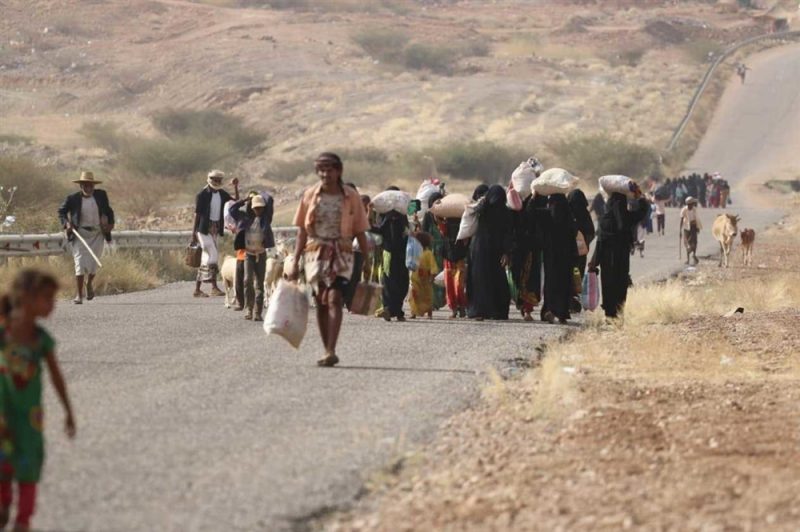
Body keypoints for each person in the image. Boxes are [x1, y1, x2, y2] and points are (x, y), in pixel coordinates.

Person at [0, 269, 76, 531]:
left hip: (29, 421)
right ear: (26, 298)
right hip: (2, 417)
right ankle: (4, 503)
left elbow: (56, 377)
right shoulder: (3, 333)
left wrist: (68, 411)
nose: (53, 305)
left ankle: (23, 520)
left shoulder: (41, 340)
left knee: (29, 468)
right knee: (3, 465)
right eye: (47, 299)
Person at [288, 153, 369, 367]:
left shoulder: (351, 197)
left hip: (342, 253)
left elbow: (360, 230)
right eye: (321, 170)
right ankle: (326, 349)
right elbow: (301, 232)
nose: (326, 174)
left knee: (334, 297)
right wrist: (295, 261)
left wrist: (368, 258)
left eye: (330, 170)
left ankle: (332, 349)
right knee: (321, 301)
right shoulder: (309, 195)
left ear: (339, 171)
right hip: (315, 253)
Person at [589, 185, 650, 319]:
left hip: (607, 260)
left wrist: (594, 262)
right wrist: (641, 199)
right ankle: (619, 312)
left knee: (608, 284)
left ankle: (609, 314)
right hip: (622, 259)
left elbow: (600, 242)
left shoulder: (605, 220)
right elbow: (642, 212)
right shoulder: (627, 217)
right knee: (621, 284)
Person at [57, 171, 115, 305]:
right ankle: (79, 294)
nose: (88, 189)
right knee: (80, 262)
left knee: (94, 263)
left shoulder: (101, 195)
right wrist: (66, 223)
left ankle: (89, 283)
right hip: (80, 234)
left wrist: (110, 224)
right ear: (80, 186)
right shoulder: (72, 199)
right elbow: (61, 212)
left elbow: (109, 210)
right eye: (85, 186)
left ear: (94, 186)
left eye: (91, 186)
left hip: (97, 234)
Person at [466, 185, 513, 321]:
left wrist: (507, 253)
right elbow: (508, 235)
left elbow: (508, 234)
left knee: (483, 279)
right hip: (489, 250)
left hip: (482, 249)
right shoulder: (500, 211)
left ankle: (484, 310)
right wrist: (506, 252)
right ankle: (490, 311)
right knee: (490, 280)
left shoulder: (489, 210)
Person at [192, 170, 240, 298]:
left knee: (206, 258)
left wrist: (235, 187)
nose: (217, 183)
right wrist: (194, 234)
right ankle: (213, 286)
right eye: (215, 180)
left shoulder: (221, 193)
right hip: (203, 230)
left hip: (215, 229)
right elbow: (197, 215)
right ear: (210, 180)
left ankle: (198, 289)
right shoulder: (202, 195)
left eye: (219, 180)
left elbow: (235, 201)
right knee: (213, 255)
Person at [230, 193, 274, 321]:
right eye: (256, 207)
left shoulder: (266, 219)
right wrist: (244, 200)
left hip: (260, 254)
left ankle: (258, 312)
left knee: (259, 284)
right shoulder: (244, 218)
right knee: (247, 280)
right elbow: (232, 210)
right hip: (249, 255)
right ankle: (249, 309)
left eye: (261, 208)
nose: (258, 210)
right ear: (251, 207)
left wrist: (260, 196)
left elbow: (270, 199)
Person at [537, 193, 578, 324]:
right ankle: (562, 313)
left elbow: (531, 213)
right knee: (564, 284)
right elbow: (574, 235)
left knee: (551, 283)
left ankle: (550, 310)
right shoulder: (569, 217)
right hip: (566, 257)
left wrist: (533, 197)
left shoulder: (546, 216)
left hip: (551, 257)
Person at [510, 191, 543, 321]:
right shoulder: (520, 206)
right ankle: (525, 308)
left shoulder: (517, 206)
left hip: (523, 248)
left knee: (526, 280)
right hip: (525, 248)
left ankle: (526, 309)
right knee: (527, 279)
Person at [374, 207, 410, 322]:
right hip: (388, 256)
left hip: (401, 256)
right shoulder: (383, 218)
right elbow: (377, 232)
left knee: (402, 284)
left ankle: (397, 311)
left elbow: (407, 232)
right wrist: (387, 220)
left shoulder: (402, 218)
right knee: (388, 283)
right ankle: (388, 310)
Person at [420, 192, 446, 311]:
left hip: (443, 253)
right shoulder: (428, 216)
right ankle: (432, 303)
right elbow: (424, 233)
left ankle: (443, 301)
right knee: (431, 277)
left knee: (443, 277)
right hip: (431, 252)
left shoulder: (447, 216)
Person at [409, 232, 439, 320]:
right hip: (414, 279)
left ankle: (429, 313)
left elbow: (433, 266)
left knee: (427, 297)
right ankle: (413, 312)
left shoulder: (428, 253)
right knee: (413, 295)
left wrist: (432, 277)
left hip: (426, 280)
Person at [680, 196, 702, 265]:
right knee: (687, 243)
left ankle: (694, 255)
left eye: (693, 203)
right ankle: (688, 259)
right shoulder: (684, 210)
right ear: (688, 204)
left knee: (694, 242)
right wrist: (680, 230)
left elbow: (697, 219)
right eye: (692, 203)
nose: (693, 205)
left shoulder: (694, 209)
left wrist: (698, 227)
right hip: (686, 227)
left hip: (693, 227)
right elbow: (681, 220)